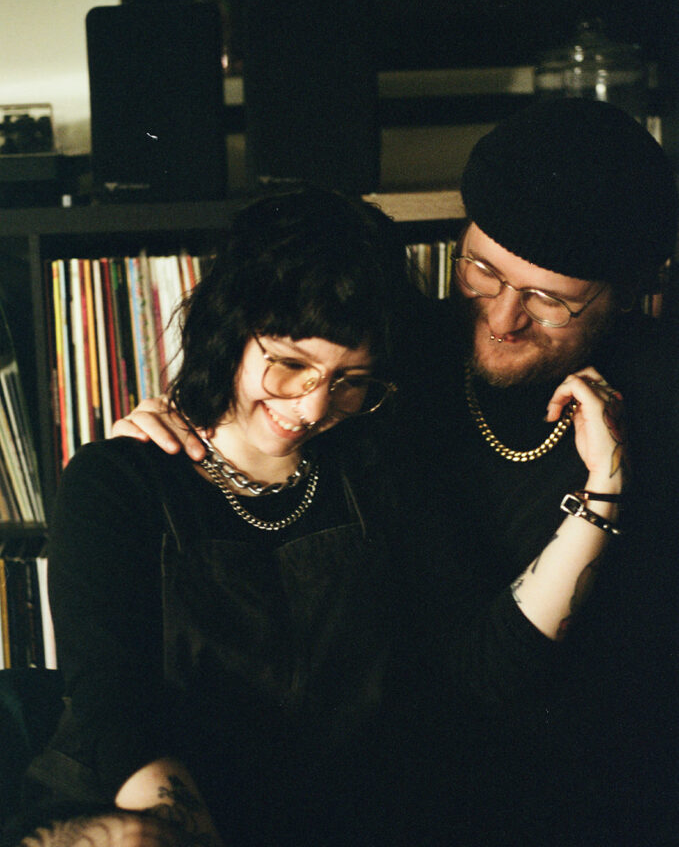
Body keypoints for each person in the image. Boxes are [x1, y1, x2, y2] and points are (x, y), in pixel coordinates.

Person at [109, 100, 679, 846]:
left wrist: (609, 483)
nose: (502, 318)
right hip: (386, 780)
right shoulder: (390, 356)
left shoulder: (662, 398)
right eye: (481, 269)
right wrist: (172, 438)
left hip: (595, 788)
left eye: (550, 301)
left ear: (626, 294)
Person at [10, 182, 625, 847]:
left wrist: (603, 489)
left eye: (349, 381)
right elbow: (114, 709)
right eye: (290, 365)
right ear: (229, 329)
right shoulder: (118, 480)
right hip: (143, 812)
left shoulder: (377, 471)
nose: (310, 408)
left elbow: (480, 666)